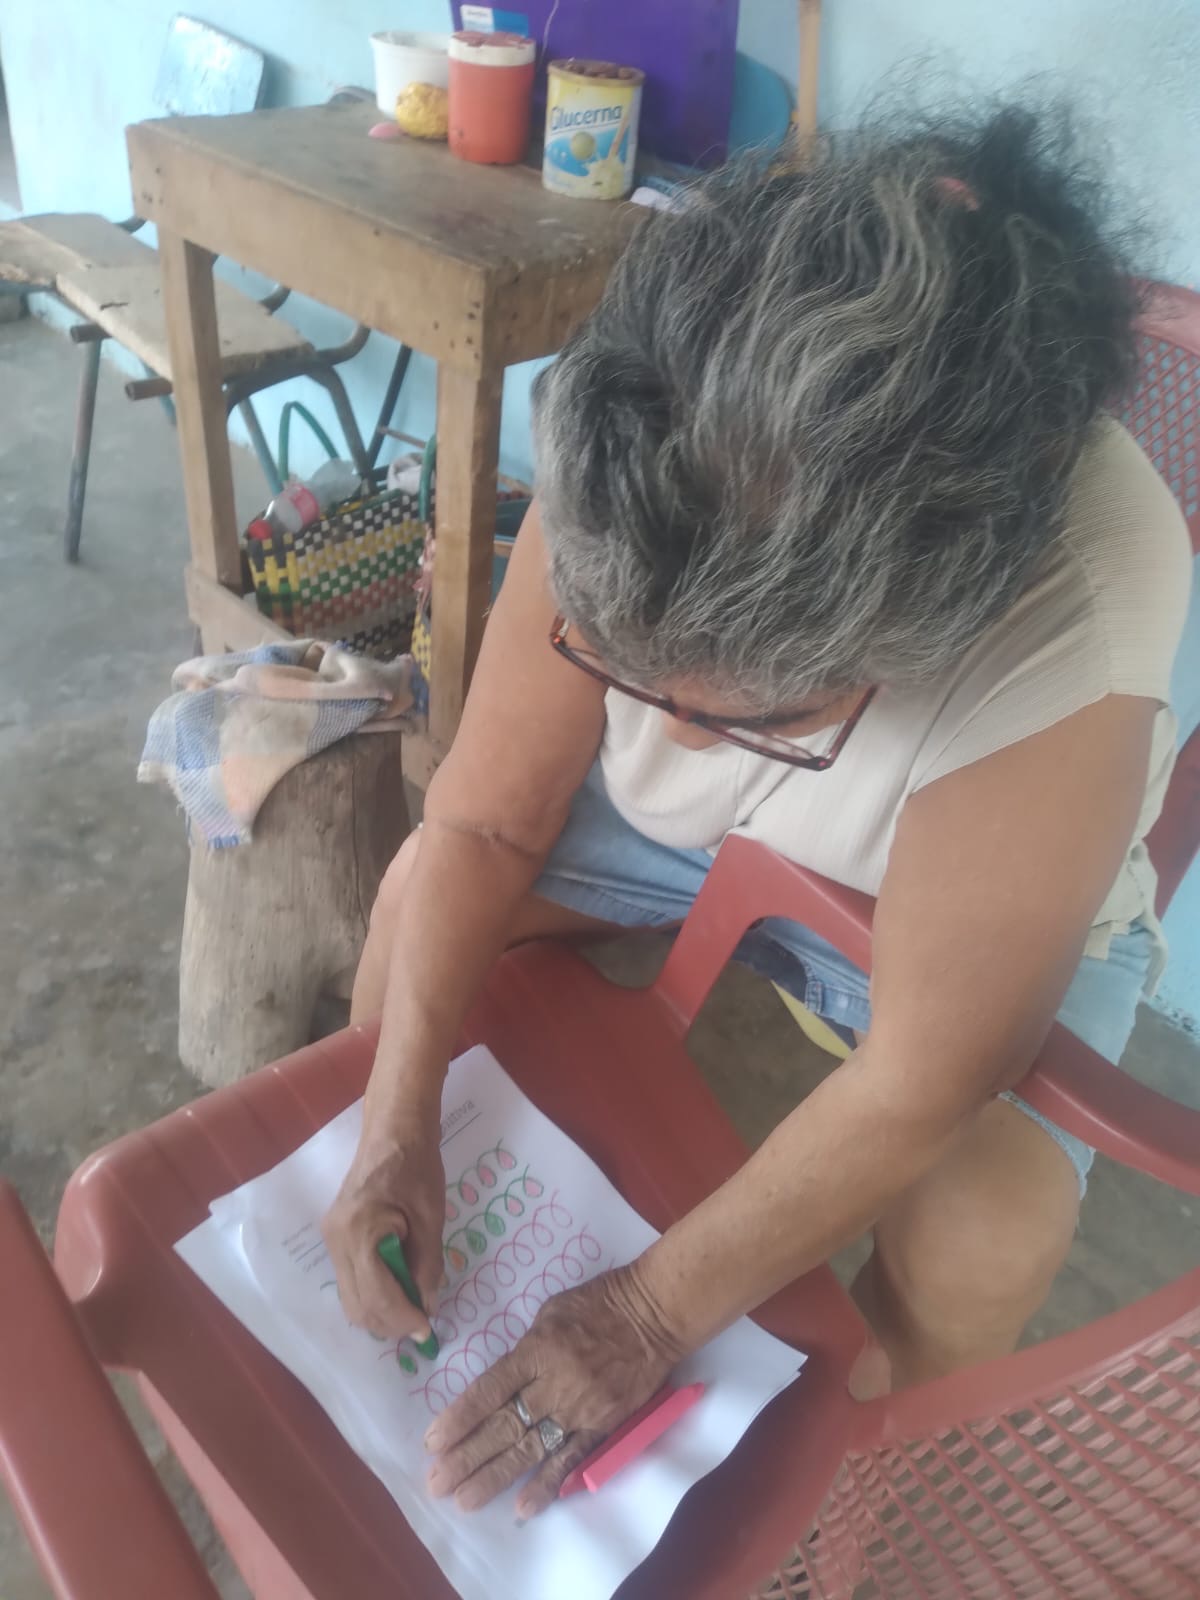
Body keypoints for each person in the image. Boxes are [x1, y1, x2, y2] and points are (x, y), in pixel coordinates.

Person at [322, 106, 1191, 1521]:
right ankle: (381, 1199)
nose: (664, 740)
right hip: (688, 855)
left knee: (988, 1235)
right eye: (625, 669)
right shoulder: (645, 412)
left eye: (750, 714)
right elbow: (484, 825)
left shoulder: (1077, 601)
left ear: (922, 639)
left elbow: (923, 1075)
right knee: (422, 902)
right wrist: (392, 1120)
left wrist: (645, 1312)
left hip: (947, 899)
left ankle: (832, 1505)